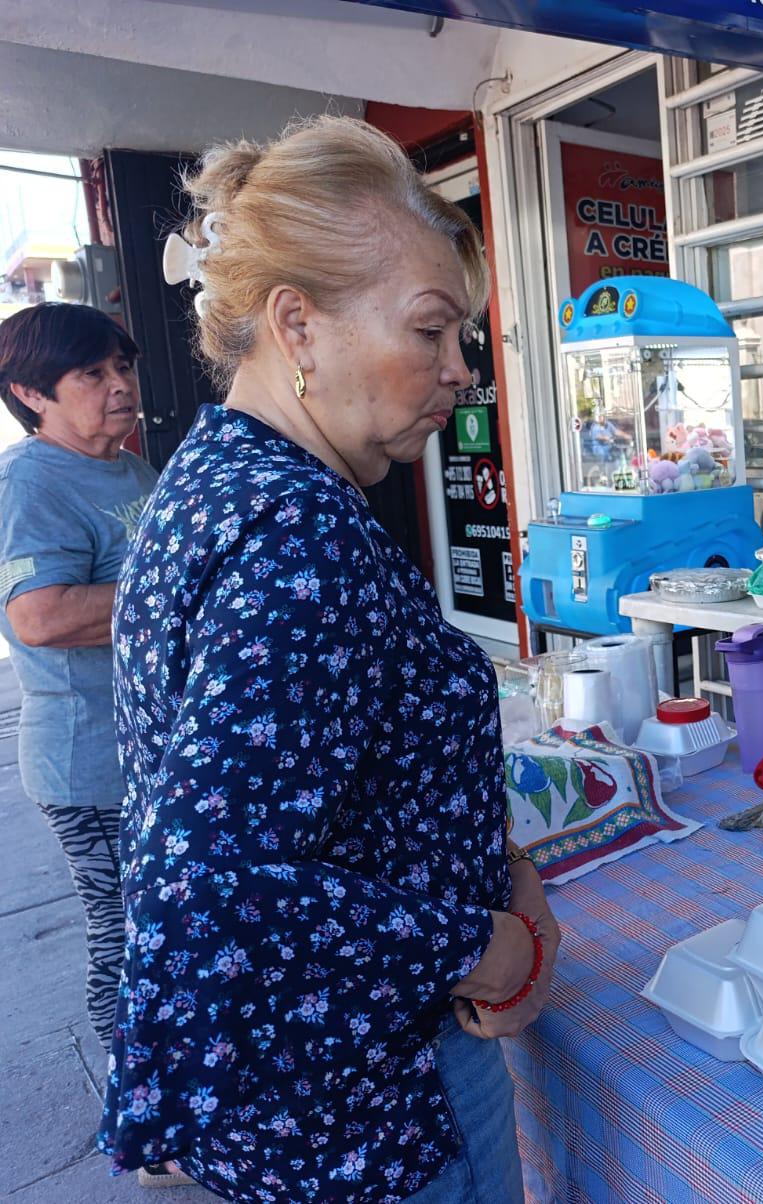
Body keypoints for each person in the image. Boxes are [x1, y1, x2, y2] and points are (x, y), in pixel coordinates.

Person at [96, 116, 560, 1203]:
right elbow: (204, 889)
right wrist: (473, 942)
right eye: (433, 332)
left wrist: (504, 867)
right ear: (296, 325)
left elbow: (305, 795)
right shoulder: (298, 537)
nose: (460, 373)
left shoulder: (216, 478)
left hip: (306, 1104)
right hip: (368, 1109)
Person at [0, 303, 157, 1057]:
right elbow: (40, 616)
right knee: (126, 931)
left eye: (121, 366)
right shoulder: (31, 481)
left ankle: (182, 1088)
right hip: (90, 761)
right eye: (91, 374)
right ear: (31, 393)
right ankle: (138, 1115)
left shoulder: (130, 466)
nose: (118, 385)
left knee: (172, 922)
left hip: (149, 748)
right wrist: (179, 591)